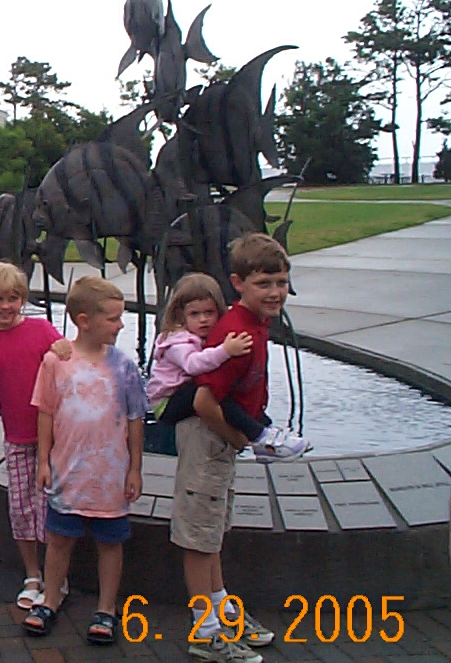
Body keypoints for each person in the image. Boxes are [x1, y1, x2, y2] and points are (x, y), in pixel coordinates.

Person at [171, 233, 290, 663]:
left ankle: (223, 612)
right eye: (264, 284)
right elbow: (204, 401)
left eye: (281, 282)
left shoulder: (254, 323)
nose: (275, 292)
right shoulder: (236, 331)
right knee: (199, 537)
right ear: (239, 283)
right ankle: (204, 632)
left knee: (211, 532)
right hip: (207, 441)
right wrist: (243, 437)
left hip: (218, 444)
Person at [22, 276, 147, 644]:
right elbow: (46, 413)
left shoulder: (124, 367)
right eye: (113, 318)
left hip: (110, 477)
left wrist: (135, 468)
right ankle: (50, 598)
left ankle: (106, 608)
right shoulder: (56, 362)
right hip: (68, 473)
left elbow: (136, 419)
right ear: (84, 320)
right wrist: (43, 462)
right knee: (59, 539)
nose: (120, 325)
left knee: (110, 543)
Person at [0, 262, 73, 610]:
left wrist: (65, 350)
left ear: (22, 299)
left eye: (12, 298)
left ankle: (56, 575)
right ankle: (32, 573)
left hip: (54, 438)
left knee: (51, 506)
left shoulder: (41, 330)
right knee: (21, 508)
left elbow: (70, 363)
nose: (5, 306)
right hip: (17, 439)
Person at [146, 273, 310, 463]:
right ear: (180, 315)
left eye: (210, 313)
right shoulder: (177, 342)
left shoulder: (204, 333)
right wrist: (225, 350)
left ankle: (266, 432)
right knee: (210, 391)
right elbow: (193, 365)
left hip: (183, 395)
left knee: (226, 392)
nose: (203, 319)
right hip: (167, 404)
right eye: (195, 314)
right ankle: (259, 435)